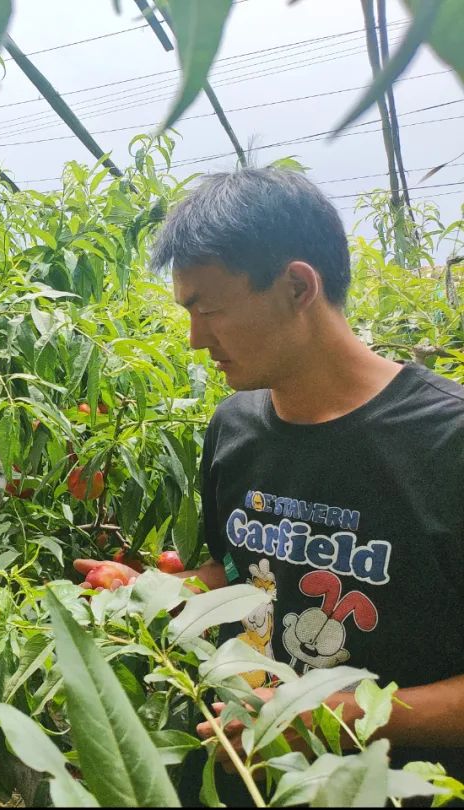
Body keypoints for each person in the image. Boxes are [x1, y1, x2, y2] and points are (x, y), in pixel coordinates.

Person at [76, 168, 464, 780]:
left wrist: (323, 714)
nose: (195, 338)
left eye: (208, 309)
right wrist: (162, 595)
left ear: (297, 287)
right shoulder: (235, 428)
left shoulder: (447, 442)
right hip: (247, 774)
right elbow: (245, 575)